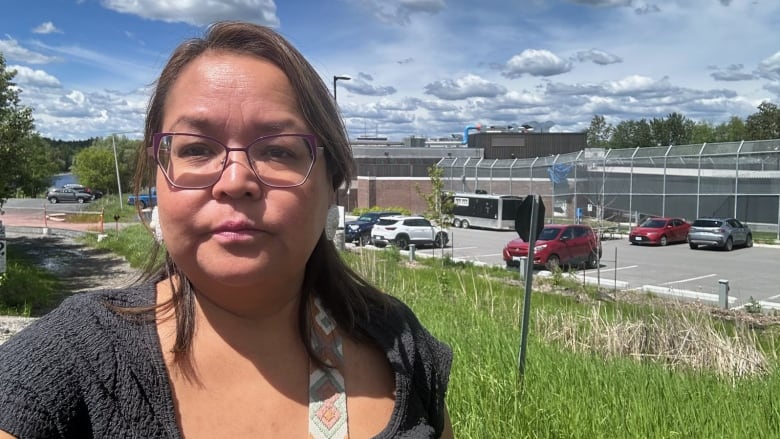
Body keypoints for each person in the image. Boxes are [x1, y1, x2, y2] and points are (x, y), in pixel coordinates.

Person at [0, 21, 453, 438]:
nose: (235, 181)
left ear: (331, 182)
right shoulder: (71, 360)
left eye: (278, 150)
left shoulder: (400, 345)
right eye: (196, 148)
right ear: (158, 175)